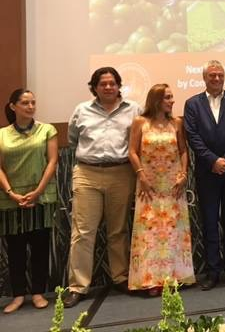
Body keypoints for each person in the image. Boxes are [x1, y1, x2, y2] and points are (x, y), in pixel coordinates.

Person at [64, 67, 141, 308]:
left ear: (119, 86)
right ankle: (78, 286)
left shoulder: (134, 109)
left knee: (118, 230)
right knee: (83, 233)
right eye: (102, 84)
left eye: (112, 83)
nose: (108, 87)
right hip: (87, 173)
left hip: (121, 172)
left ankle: (120, 277)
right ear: (94, 87)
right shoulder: (81, 110)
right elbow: (72, 139)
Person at [184, 60, 225, 289]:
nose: (217, 79)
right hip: (207, 171)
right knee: (209, 221)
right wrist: (213, 160)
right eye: (212, 75)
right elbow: (192, 136)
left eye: (220, 75)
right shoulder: (192, 104)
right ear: (204, 78)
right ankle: (213, 272)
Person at [127, 84, 195, 296]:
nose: (172, 101)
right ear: (156, 100)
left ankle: (174, 277)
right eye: (167, 97)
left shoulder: (176, 122)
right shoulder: (141, 122)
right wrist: (141, 174)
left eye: (171, 97)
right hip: (149, 184)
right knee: (149, 232)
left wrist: (184, 174)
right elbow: (132, 151)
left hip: (172, 184)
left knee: (173, 232)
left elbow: (183, 150)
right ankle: (150, 280)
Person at [0, 89, 58, 313]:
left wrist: (38, 191)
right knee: (15, 249)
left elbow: (52, 161)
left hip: (41, 197)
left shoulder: (47, 130)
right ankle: (17, 295)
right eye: (25, 103)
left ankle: (37, 292)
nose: (31, 106)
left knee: (40, 246)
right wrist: (11, 192)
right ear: (13, 106)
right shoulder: (2, 134)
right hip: (10, 198)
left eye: (33, 102)